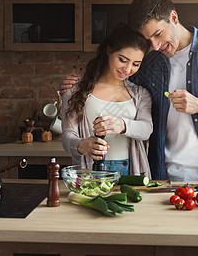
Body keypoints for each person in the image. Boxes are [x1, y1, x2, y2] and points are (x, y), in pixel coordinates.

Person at [61, 0, 198, 181]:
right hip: (162, 174)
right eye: (148, 40)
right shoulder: (150, 62)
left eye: (158, 34)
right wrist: (79, 84)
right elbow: (116, 82)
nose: (155, 46)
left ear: (173, 17)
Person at [61, 23, 152, 178]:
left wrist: (122, 125)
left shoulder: (140, 94)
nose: (128, 69)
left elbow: (146, 130)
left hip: (129, 170)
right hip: (89, 170)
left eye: (136, 64)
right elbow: (67, 136)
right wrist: (82, 145)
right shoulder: (75, 90)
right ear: (109, 50)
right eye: (123, 60)